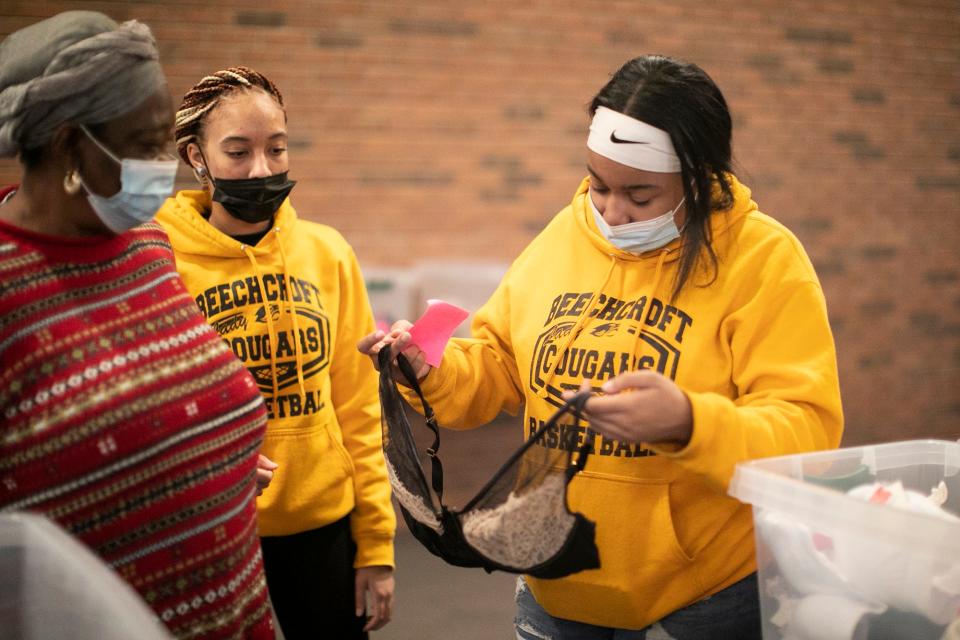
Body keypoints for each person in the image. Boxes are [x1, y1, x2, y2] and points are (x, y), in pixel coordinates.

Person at [360, 54, 843, 639]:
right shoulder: (566, 236)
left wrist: (689, 423)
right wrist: (429, 367)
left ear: (699, 175)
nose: (613, 212)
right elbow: (501, 367)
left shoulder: (765, 260)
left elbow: (805, 431)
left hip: (700, 592)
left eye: (640, 196)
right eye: (598, 185)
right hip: (557, 575)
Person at [0, 11, 275, 639]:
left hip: (236, 614)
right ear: (72, 145)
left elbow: (149, 381)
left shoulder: (146, 241)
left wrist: (206, 447)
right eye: (147, 143)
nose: (167, 164)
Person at [155, 66, 396, 639]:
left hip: (321, 522)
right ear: (197, 157)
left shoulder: (327, 252)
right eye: (237, 152)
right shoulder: (160, 261)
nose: (261, 169)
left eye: (277, 148)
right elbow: (148, 405)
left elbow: (360, 408)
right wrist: (209, 454)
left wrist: (377, 546)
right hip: (212, 528)